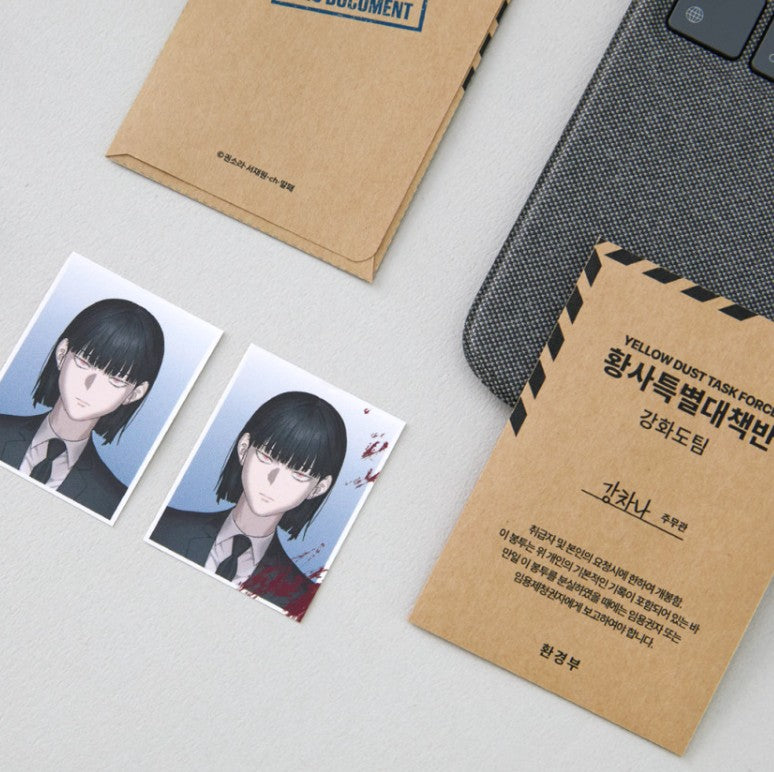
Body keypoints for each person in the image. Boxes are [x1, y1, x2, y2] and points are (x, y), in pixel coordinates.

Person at [151, 391, 347, 620]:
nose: (274, 481)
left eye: (298, 474)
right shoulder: (165, 527)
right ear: (244, 448)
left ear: (319, 488)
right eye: (267, 457)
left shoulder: (298, 596)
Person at [0, 298, 165, 518]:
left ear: (134, 393)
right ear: (62, 353)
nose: (91, 386)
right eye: (85, 362)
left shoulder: (109, 500)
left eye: (116, 379)